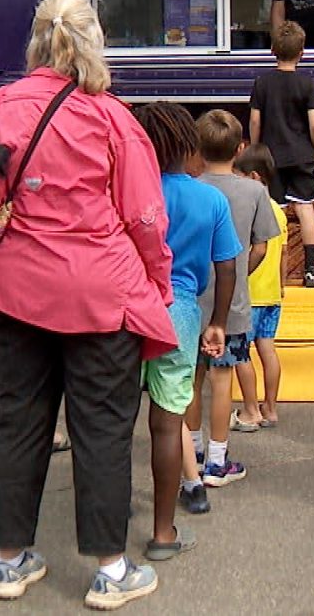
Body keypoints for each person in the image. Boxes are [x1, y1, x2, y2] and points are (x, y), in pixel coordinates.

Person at [0, 0, 174, 608]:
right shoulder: (111, 117)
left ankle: (9, 563)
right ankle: (111, 570)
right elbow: (144, 216)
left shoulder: (0, 105)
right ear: (93, 43)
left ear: (36, 41)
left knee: (18, 420)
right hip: (99, 291)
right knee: (103, 428)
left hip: (15, 288)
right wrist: (157, 282)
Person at [132, 103, 238, 557]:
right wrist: (218, 323)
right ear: (188, 146)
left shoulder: (130, 192)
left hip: (129, 304)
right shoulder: (210, 200)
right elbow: (227, 266)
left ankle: (111, 511)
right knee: (167, 423)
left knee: (115, 421)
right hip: (181, 314)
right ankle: (163, 534)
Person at [187, 110, 279, 487]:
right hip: (233, 304)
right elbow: (261, 246)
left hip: (191, 300)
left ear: (198, 147)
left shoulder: (189, 187)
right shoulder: (255, 192)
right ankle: (217, 459)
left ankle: (192, 451)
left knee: (192, 381)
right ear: (240, 148)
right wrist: (241, 273)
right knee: (223, 380)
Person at [250, 22, 314, 287]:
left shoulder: (262, 83)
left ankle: (275, 273)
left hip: (271, 157)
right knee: (305, 208)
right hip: (302, 154)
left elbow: (255, 121)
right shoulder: (306, 83)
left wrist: (255, 150)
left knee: (274, 212)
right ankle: (312, 270)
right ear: (302, 52)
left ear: (272, 49)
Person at [231, 143, 286, 430]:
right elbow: (285, 254)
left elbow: (254, 249)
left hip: (250, 293)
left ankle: (251, 409)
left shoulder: (250, 206)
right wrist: (282, 286)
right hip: (272, 294)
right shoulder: (280, 211)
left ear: (253, 177)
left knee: (241, 352)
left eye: (238, 176)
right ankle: (271, 408)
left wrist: (238, 278)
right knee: (268, 349)